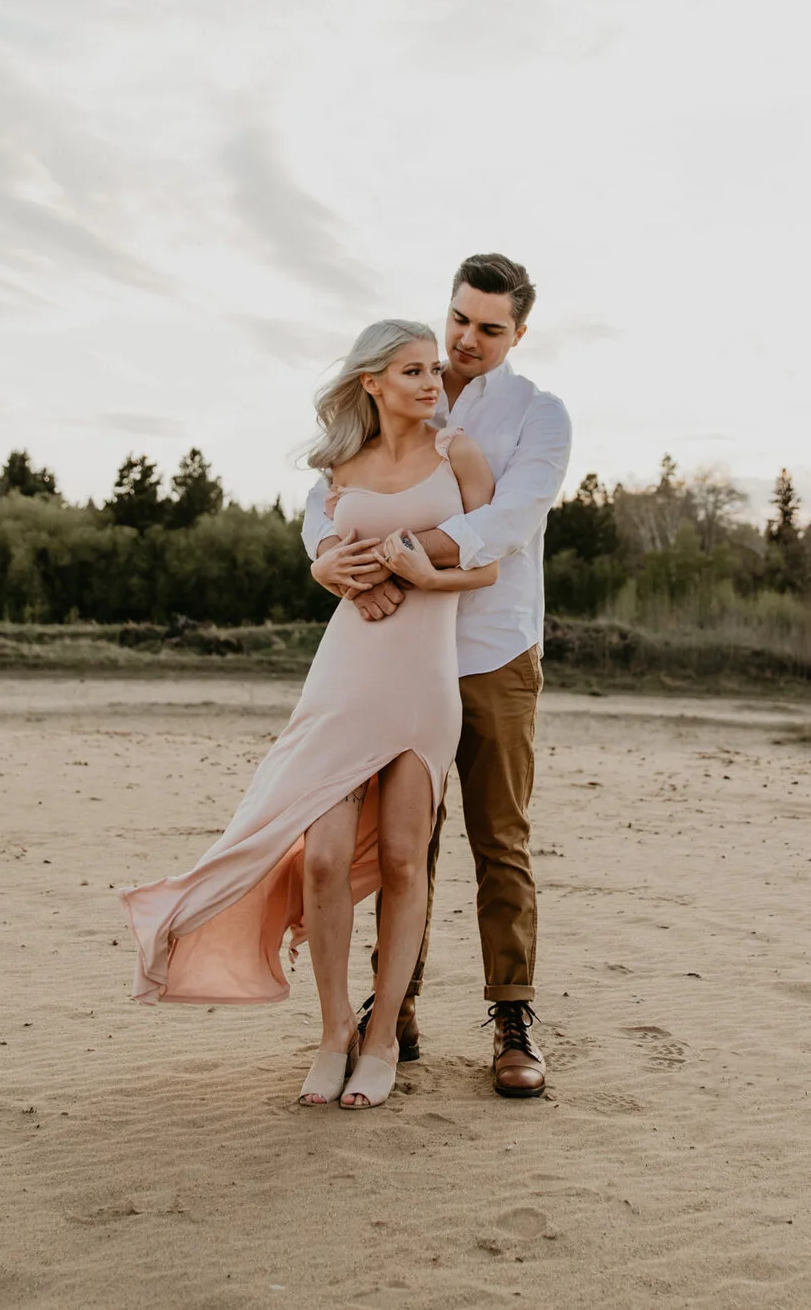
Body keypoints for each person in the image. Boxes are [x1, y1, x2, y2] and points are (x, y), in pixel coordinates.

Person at [120, 319, 499, 1109]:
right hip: (347, 676)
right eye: (413, 371)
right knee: (323, 857)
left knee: (405, 860)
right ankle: (334, 1032)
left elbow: (491, 563)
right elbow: (322, 548)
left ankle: (383, 1035)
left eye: (434, 370)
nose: (432, 383)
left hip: (422, 678)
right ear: (372, 382)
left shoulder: (458, 454)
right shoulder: (338, 466)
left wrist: (423, 577)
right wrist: (333, 566)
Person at [303, 253, 571, 1099]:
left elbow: (512, 520)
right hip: (394, 649)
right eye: (460, 318)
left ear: (519, 333)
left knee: (499, 836)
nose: (466, 340)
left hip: (491, 648)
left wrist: (397, 555)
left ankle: (512, 1017)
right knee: (401, 841)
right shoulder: (408, 382)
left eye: (490, 328)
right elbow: (330, 492)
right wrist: (327, 558)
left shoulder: (539, 414)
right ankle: (397, 1007)